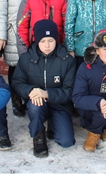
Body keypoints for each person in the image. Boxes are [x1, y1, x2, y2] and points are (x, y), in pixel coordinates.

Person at [12, 20, 76, 158]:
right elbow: (17, 82)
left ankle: (54, 122)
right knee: (35, 106)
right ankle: (38, 135)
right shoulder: (26, 59)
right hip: (38, 102)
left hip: (60, 105)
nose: (47, 45)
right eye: (43, 41)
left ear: (57, 39)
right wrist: (31, 91)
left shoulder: (67, 60)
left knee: (66, 141)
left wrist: (46, 93)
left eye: (51, 40)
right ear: (37, 40)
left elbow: (69, 91)